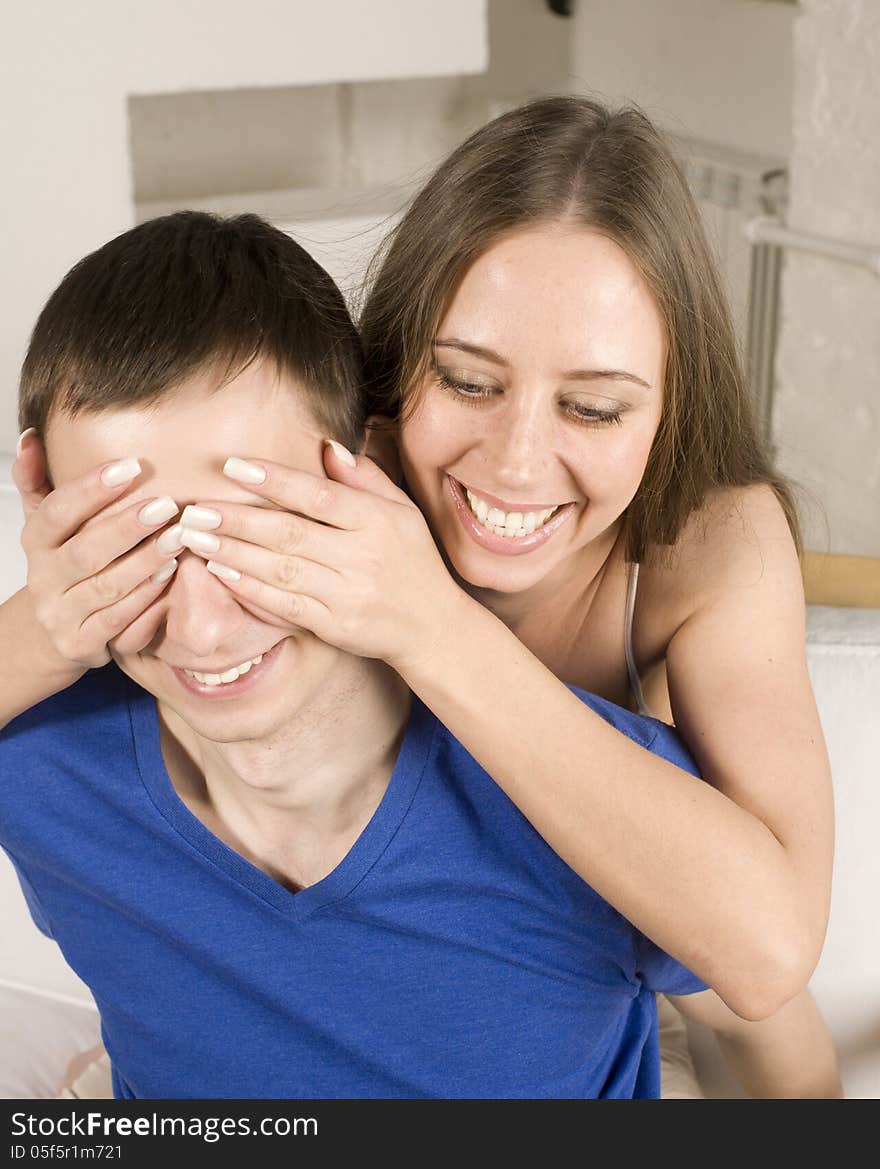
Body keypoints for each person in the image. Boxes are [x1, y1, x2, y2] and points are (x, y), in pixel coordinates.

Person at [2, 98, 841, 1093]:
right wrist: (40, 631)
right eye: (469, 382)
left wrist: (429, 622)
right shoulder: (336, 458)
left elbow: (763, 964)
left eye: (593, 405)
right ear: (385, 392)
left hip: (597, 945)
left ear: (666, 409)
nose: (517, 465)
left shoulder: (707, 542)